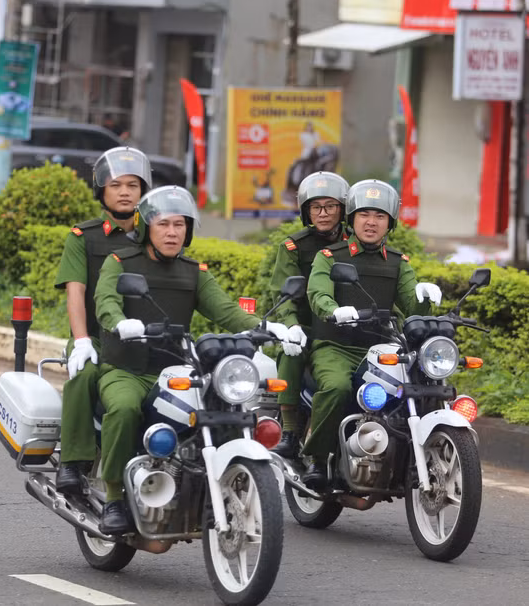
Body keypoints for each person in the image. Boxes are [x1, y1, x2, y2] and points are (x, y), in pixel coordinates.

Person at [93, 186, 297, 534]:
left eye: (180, 225)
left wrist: (268, 327)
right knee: (125, 409)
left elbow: (226, 310)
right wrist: (119, 322)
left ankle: (206, 484)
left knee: (223, 410)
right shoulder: (120, 263)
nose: (172, 232)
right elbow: (105, 300)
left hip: (177, 369)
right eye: (163, 224)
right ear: (145, 227)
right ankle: (114, 497)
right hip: (127, 369)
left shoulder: (193, 271)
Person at [302, 179, 439, 488]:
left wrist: (424, 298)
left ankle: (403, 456)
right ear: (351, 219)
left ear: (390, 223)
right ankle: (318, 458)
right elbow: (318, 293)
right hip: (335, 346)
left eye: (379, 216)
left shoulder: (398, 263)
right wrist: (334, 310)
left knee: (417, 388)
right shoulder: (330, 256)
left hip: (383, 349)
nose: (371, 222)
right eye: (364, 214)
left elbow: (412, 306)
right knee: (337, 388)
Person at [53, 147, 152, 495]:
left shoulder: (157, 234)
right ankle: (73, 461)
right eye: (116, 185)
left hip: (145, 340)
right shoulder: (84, 237)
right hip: (96, 338)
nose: (125, 192)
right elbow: (76, 292)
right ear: (102, 191)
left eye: (133, 185)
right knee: (83, 375)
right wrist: (81, 340)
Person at [269, 171, 349, 458]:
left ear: (343, 209)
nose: (323, 213)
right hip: (307, 327)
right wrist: (291, 326)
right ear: (306, 211)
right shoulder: (294, 246)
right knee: (291, 351)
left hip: (350, 326)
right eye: (316, 207)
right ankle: (290, 430)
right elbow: (282, 294)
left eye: (330, 206)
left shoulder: (355, 243)